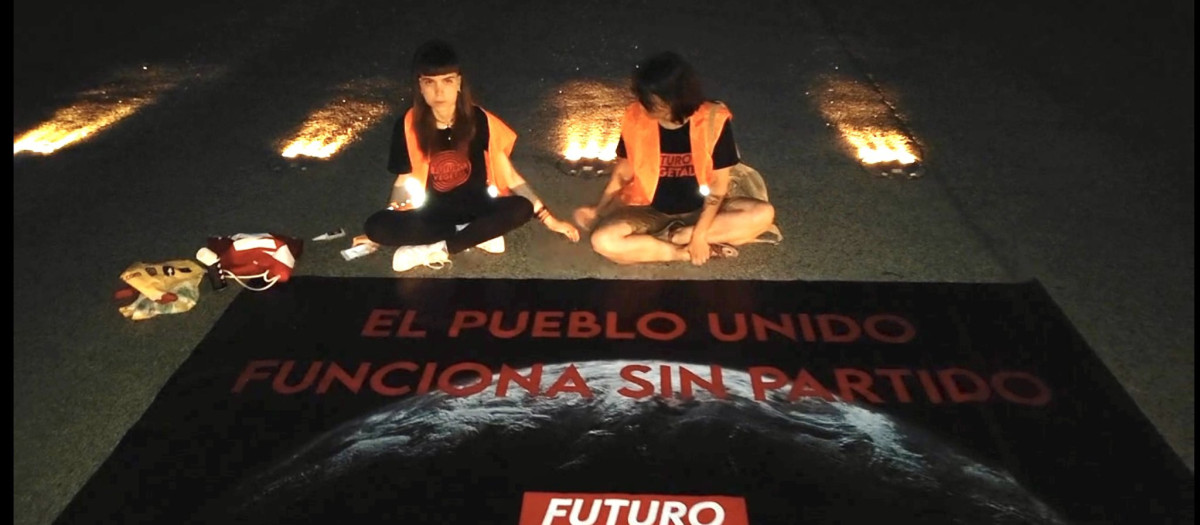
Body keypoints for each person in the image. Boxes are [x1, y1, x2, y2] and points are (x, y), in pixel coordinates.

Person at [357, 40, 579, 272]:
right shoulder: (408, 125)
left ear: (459, 83)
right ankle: (474, 235)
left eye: (447, 81)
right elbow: (403, 182)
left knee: (521, 208)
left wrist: (549, 220)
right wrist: (391, 216)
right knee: (376, 227)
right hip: (433, 215)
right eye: (429, 82)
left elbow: (511, 177)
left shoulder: (480, 120)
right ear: (420, 87)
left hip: (478, 207)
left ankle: (439, 249)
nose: (439, 91)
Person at [573, 51, 775, 266]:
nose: (643, 103)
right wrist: (599, 209)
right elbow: (623, 173)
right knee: (603, 241)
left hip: (706, 209)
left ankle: (680, 237)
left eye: (651, 99)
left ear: (675, 98)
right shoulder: (635, 117)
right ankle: (681, 252)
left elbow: (718, 184)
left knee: (763, 213)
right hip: (651, 209)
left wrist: (698, 234)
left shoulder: (713, 118)